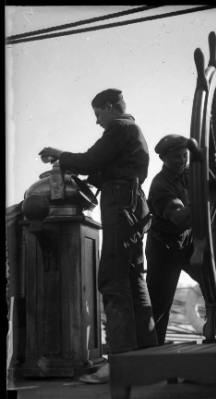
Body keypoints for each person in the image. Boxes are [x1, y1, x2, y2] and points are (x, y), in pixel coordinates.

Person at [39, 88, 158, 382]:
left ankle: (119, 364)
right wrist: (86, 178)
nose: (97, 122)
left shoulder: (120, 127)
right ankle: (148, 359)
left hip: (120, 205)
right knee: (133, 279)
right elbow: (103, 168)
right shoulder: (132, 132)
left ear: (109, 107)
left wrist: (59, 156)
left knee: (111, 278)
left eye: (98, 114)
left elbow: (92, 160)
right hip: (132, 207)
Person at [145, 134, 200, 345]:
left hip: (186, 243)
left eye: (185, 156)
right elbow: (179, 218)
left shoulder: (187, 174)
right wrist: (204, 197)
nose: (182, 161)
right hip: (163, 249)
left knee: (215, 282)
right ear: (164, 159)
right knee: (159, 306)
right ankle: (152, 350)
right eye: (176, 157)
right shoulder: (160, 186)